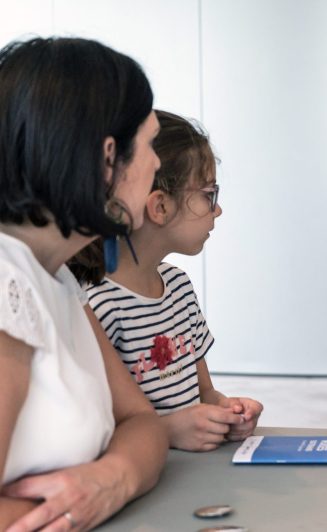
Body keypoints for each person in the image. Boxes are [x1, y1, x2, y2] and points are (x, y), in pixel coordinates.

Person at [0, 37, 168, 530]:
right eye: (151, 143)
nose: (157, 164)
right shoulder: (7, 285)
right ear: (108, 155)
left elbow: (142, 423)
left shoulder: (56, 276)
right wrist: (86, 498)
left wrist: (111, 478)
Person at [70, 110, 263, 452]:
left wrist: (226, 412)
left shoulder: (179, 287)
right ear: (159, 207)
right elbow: (96, 434)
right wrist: (167, 431)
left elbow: (204, 393)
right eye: (209, 194)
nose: (217, 210)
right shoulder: (96, 305)